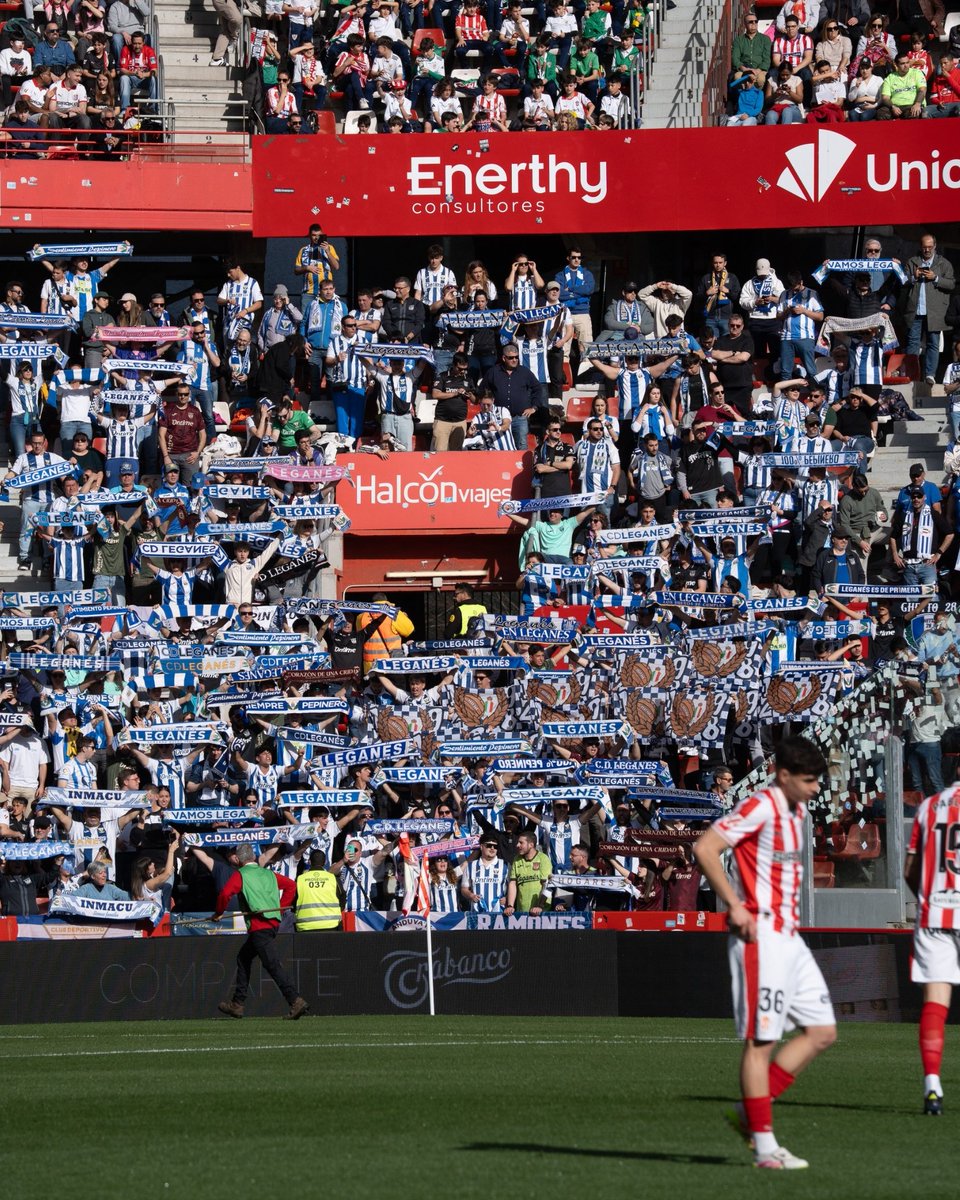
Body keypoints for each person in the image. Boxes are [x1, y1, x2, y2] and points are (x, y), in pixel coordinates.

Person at [694, 736, 836, 1170]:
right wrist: (735, 906)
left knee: (822, 1032)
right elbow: (705, 848)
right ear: (784, 775)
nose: (816, 788)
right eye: (809, 781)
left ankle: (748, 1112)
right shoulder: (762, 805)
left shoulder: (798, 810)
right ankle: (764, 1147)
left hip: (790, 937)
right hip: (762, 936)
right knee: (762, 1042)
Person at [903, 774, 960, 1115]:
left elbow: (911, 867)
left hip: (936, 913)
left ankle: (933, 1087)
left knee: (936, 1004)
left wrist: (926, 897)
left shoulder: (928, 806)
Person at [212, 842, 309, 1019]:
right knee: (243, 958)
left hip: (259, 927)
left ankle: (295, 1000)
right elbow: (291, 886)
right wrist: (280, 908)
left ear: (239, 860)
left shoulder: (240, 875)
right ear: (254, 857)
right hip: (271, 925)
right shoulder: (268, 873)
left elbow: (225, 894)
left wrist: (218, 913)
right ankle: (237, 1004)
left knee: (272, 965)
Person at [903, 233, 956, 385]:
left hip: (935, 311)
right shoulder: (913, 261)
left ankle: (930, 374)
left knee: (933, 342)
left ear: (935, 246)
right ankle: (912, 375)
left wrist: (936, 278)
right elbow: (902, 281)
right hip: (916, 309)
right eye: (924, 247)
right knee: (913, 343)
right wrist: (913, 276)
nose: (927, 250)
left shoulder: (944, 263)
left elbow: (951, 284)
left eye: (930, 247)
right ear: (921, 247)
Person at [504, 829, 553, 915]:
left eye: (521, 843)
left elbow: (546, 885)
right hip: (522, 912)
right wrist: (510, 906)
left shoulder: (543, 858)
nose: (517, 845)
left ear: (531, 845)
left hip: (541, 913)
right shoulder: (516, 859)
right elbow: (513, 883)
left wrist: (540, 906)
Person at [294, 848, 343, 930]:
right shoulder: (333, 878)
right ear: (325, 862)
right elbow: (342, 899)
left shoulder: (300, 879)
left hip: (305, 926)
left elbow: (294, 901)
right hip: (331, 925)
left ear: (309, 861)